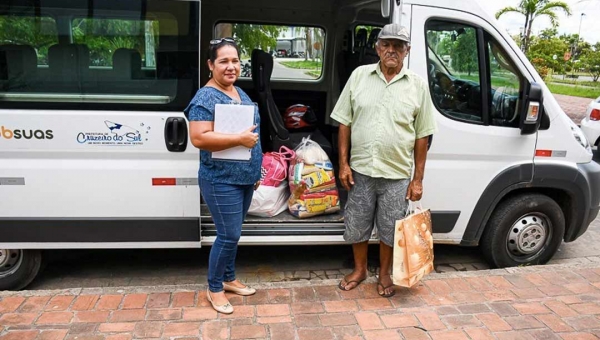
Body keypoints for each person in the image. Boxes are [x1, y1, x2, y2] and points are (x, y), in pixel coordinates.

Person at [330, 24, 438, 297]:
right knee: (357, 224)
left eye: (398, 46)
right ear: (377, 48)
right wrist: (343, 164)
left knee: (390, 229)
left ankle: (385, 274)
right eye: (386, 45)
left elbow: (422, 136)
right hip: (361, 170)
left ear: (407, 51)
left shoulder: (417, 86)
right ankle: (360, 270)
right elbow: (344, 122)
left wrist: (418, 179)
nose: (392, 50)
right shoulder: (359, 76)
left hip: (397, 173)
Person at [185, 37, 262, 314]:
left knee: (234, 234)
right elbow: (199, 138)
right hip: (220, 179)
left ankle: (229, 278)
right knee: (228, 235)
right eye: (223, 61)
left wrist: (254, 170)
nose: (231, 67)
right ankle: (214, 287)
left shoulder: (238, 92)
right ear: (210, 65)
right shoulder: (205, 97)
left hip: (243, 178)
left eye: (235, 61)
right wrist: (239, 139)